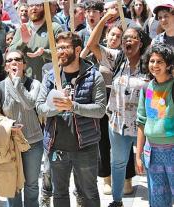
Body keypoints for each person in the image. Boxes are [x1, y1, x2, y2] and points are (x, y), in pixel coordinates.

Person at [87, 9, 152, 207]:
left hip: (144, 126)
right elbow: (91, 45)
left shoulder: (150, 63)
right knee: (118, 163)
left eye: (132, 39)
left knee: (149, 165)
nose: (127, 42)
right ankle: (117, 201)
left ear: (140, 43)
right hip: (118, 124)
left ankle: (156, 201)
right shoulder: (116, 59)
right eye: (125, 39)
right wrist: (106, 18)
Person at [36, 31, 107, 207]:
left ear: (77, 50)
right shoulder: (51, 76)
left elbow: (100, 110)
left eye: (65, 47)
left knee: (88, 193)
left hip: (85, 147)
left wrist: (72, 106)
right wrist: (55, 107)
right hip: (56, 147)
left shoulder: (93, 75)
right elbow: (39, 106)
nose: (61, 51)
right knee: (59, 193)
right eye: (58, 47)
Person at [83, 8, 137, 196]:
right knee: (103, 141)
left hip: (123, 101)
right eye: (112, 34)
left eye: (119, 36)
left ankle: (128, 178)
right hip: (103, 99)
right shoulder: (105, 53)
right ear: (107, 35)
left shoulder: (126, 56)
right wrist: (105, 18)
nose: (115, 38)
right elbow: (91, 44)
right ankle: (106, 177)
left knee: (125, 139)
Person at [0, 50, 43, 207]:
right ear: (6, 66)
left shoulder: (34, 84)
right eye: (9, 60)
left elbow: (30, 104)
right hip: (9, 143)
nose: (14, 62)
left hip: (32, 142)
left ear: (24, 64)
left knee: (32, 185)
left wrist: (17, 81)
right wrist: (7, 125)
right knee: (12, 185)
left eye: (18, 59)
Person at [136, 43, 174, 207]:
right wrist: (138, 155)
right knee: (158, 200)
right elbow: (142, 121)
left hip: (172, 149)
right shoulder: (147, 88)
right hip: (152, 152)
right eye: (152, 61)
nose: (155, 65)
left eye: (160, 62)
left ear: (169, 65)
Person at [9, 2, 63, 81]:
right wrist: (23, 42)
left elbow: (61, 54)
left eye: (38, 5)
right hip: (24, 82)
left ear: (45, 8)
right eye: (31, 5)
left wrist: (43, 52)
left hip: (48, 82)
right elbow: (11, 53)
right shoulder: (23, 28)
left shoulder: (54, 28)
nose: (34, 8)